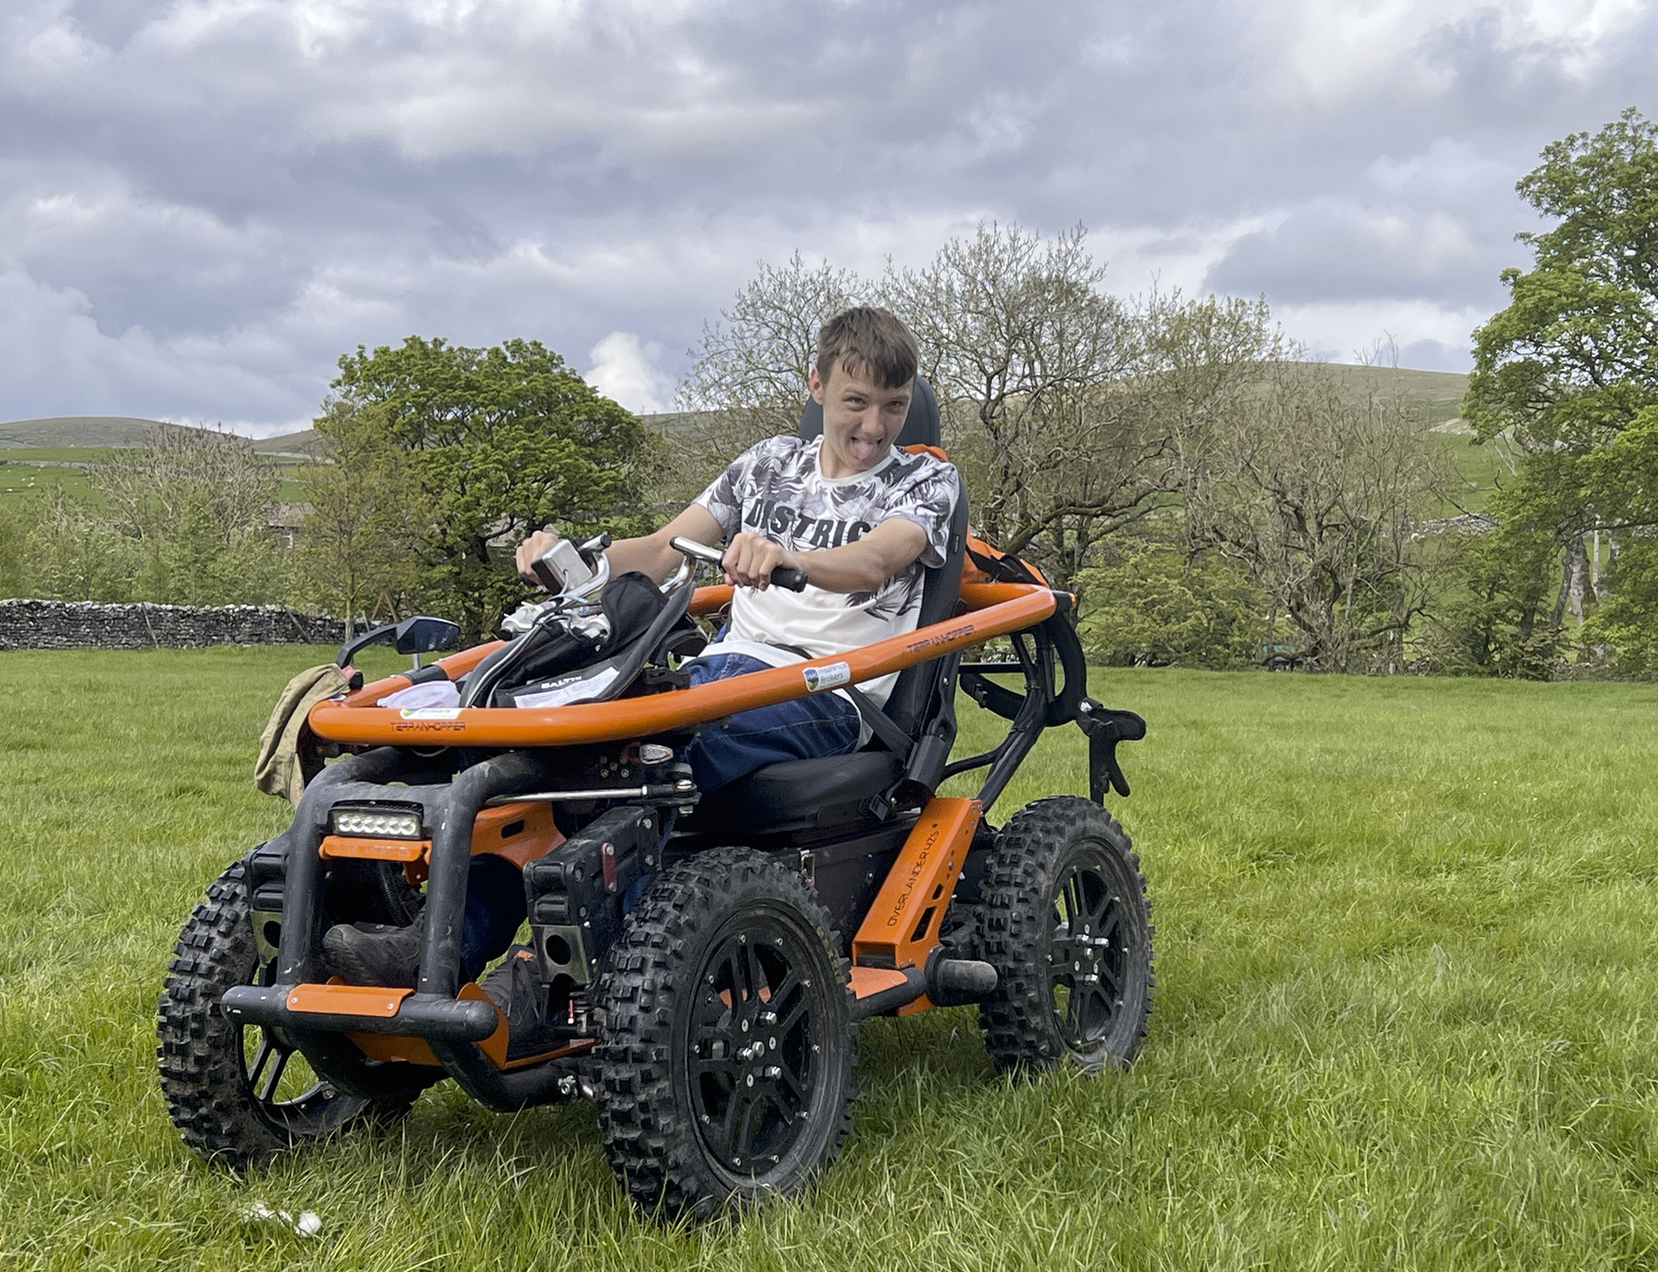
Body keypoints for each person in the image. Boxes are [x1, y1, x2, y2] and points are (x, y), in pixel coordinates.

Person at [324, 307, 960, 989]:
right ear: (817, 385)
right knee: (560, 756)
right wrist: (574, 558)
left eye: (892, 408)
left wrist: (787, 556)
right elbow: (659, 550)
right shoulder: (767, 464)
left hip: (833, 690)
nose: (873, 428)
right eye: (855, 403)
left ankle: (564, 975)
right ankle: (437, 948)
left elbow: (873, 560)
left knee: (653, 765)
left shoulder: (925, 483)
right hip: (722, 673)